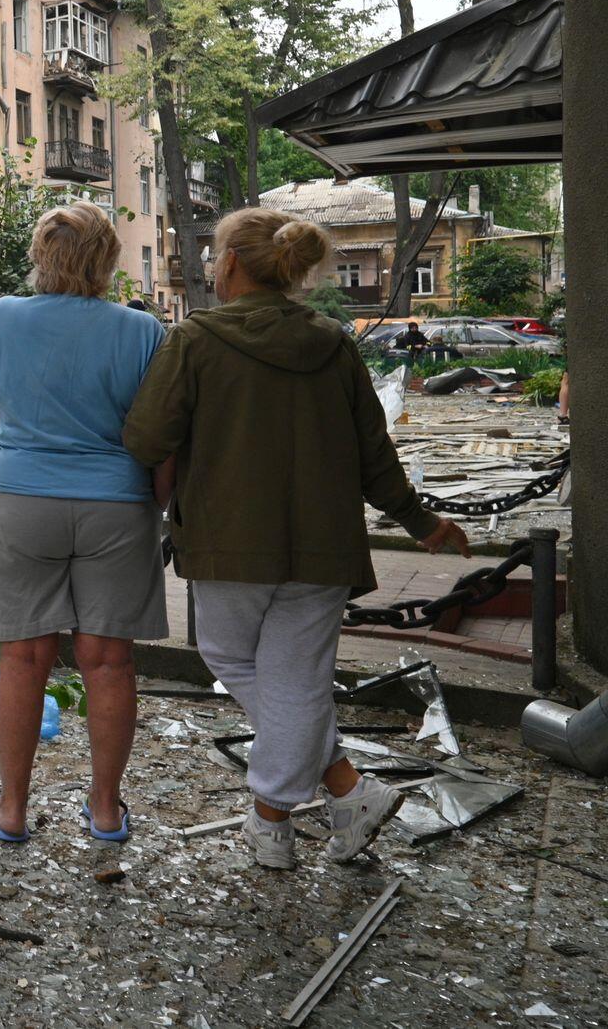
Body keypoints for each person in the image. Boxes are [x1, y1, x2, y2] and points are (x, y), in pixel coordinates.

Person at [122, 208, 469, 869]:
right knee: (297, 680)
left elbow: (144, 439)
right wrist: (421, 522)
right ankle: (341, 793)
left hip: (228, 539)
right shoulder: (333, 343)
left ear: (229, 262)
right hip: (323, 544)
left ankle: (278, 816)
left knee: (236, 660)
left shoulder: (195, 339)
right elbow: (374, 452)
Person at [0, 201, 168, 846]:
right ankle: (106, 810)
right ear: (109, 260)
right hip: (117, 502)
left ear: (40, 255)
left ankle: (12, 809)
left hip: (24, 497)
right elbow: (157, 423)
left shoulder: (5, 315)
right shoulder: (143, 330)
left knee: (23, 657)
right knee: (109, 661)